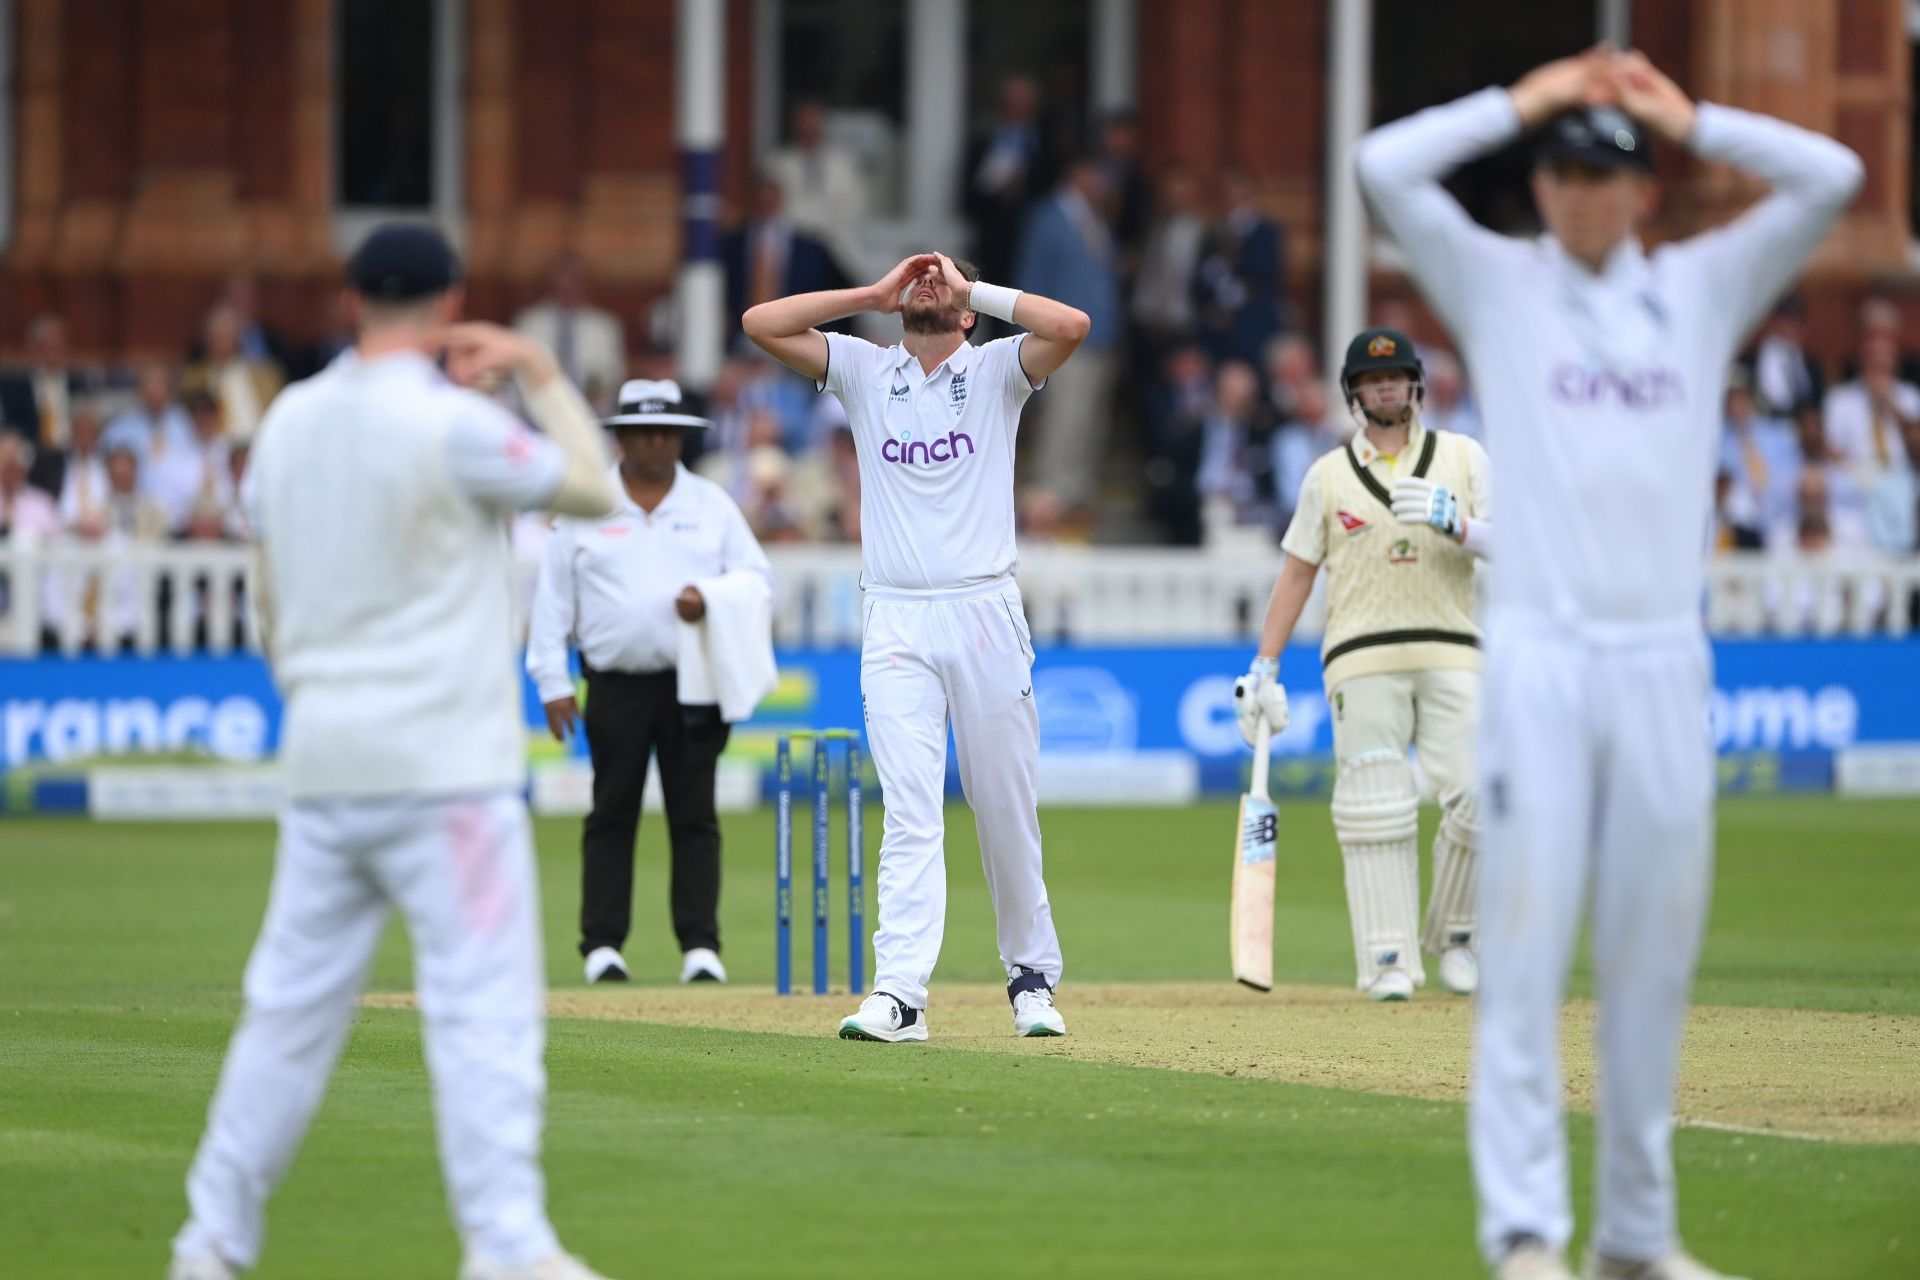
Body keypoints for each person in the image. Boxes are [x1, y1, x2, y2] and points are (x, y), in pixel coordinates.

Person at [1355, 47, 1861, 1280]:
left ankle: (1637, 1237)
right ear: (1540, 189)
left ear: (1642, 191)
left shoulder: (1699, 287)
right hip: (1541, 655)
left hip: (1660, 664)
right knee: (1525, 946)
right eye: (1559, 173)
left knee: (1649, 956)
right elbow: (1383, 165)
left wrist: (1689, 116)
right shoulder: (1501, 286)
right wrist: (1525, 101)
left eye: (1602, 174)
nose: (1577, 193)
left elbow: (1835, 172)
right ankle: (1526, 1231)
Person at [167, 223, 623, 1280]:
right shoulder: (453, 424)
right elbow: (596, 488)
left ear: (350, 299)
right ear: (453, 296)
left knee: (284, 1018)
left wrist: (312, 697)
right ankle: (506, 1241)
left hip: (329, 760)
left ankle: (209, 1243)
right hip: (447, 775)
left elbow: (268, 588)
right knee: (483, 1014)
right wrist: (540, 370)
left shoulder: (285, 421)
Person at [743, 251, 1090, 1042]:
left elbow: (1072, 325)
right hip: (897, 617)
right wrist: (869, 295)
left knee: (1004, 804)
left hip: (984, 610)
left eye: (945, 281)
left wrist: (979, 291)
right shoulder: (866, 370)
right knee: (909, 808)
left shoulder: (1000, 367)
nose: (928, 282)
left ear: (967, 311)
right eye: (919, 278)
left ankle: (1031, 979)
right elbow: (760, 324)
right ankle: (899, 994)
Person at [1236, 328, 1493, 1003]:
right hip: (1360, 656)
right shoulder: (1326, 475)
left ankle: (1460, 939)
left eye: (1396, 378)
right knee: (1375, 808)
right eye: (1372, 381)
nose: (1385, 389)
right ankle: (1387, 960)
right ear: (1354, 394)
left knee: (1482, 796)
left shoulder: (1463, 458)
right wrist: (1264, 665)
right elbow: (1296, 575)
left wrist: (1459, 525)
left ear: (1416, 386)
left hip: (1452, 649)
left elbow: (1520, 548)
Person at [526, 378, 774, 987]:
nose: (657, 443)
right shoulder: (584, 503)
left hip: (694, 681)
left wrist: (709, 600)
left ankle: (700, 947)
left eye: (668, 433)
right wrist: (553, 682)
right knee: (612, 811)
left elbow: (756, 578)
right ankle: (602, 945)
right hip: (614, 683)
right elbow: (552, 602)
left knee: (695, 814)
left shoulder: (710, 504)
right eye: (644, 432)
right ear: (621, 439)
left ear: (682, 439)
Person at [1014, 158, 1123, 517]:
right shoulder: (1049, 217)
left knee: (1087, 420)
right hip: (1062, 340)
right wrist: (1032, 338)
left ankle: (1075, 490)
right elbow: (1034, 280)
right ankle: (1052, 494)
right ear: (1079, 173)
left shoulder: (1094, 217)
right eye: (1099, 176)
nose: (1105, 185)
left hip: (1098, 340)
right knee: (1063, 418)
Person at [514, 254, 628, 414]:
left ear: (584, 283)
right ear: (550, 283)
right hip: (538, 412)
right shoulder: (529, 323)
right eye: (560, 280)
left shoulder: (604, 327)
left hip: (592, 414)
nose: (566, 287)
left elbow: (616, 377)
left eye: (572, 280)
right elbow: (518, 377)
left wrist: (596, 393)